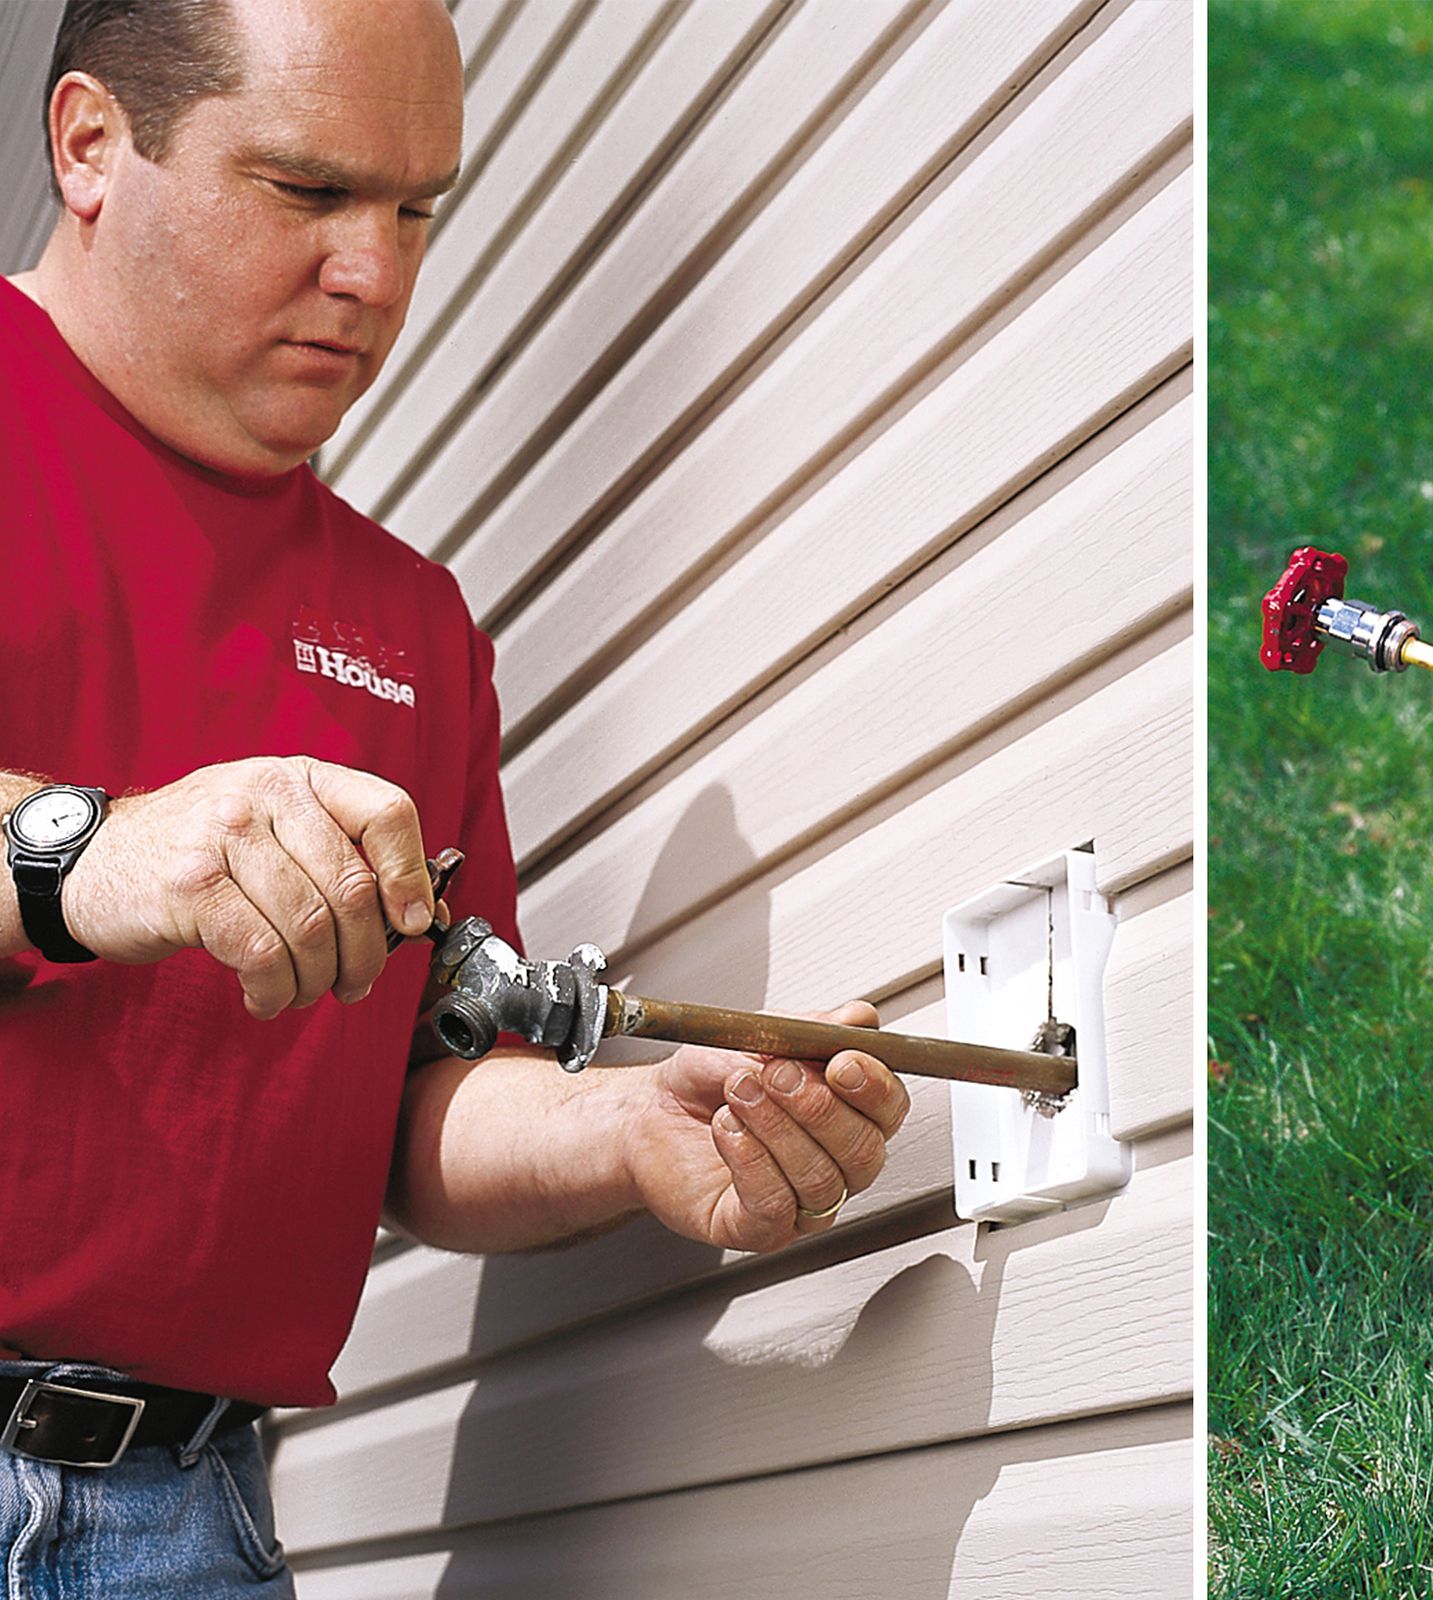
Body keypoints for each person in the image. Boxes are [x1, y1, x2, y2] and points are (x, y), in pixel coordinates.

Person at [0, 1, 910, 1590]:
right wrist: (93, 853)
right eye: (306, 193)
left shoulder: (414, 632)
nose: (378, 279)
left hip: (179, 1519)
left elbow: (411, 1103)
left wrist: (621, 1133)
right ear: (91, 144)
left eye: (417, 210)